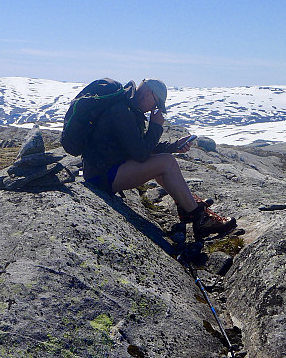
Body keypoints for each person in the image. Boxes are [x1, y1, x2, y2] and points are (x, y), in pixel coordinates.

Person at [82, 78, 236, 238]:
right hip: (101, 176)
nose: (153, 109)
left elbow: (138, 146)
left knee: (164, 160)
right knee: (166, 163)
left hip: (105, 168)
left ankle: (186, 205)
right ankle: (200, 220)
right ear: (149, 94)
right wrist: (155, 126)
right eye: (156, 104)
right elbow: (141, 153)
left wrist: (173, 146)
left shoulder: (128, 108)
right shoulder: (122, 112)